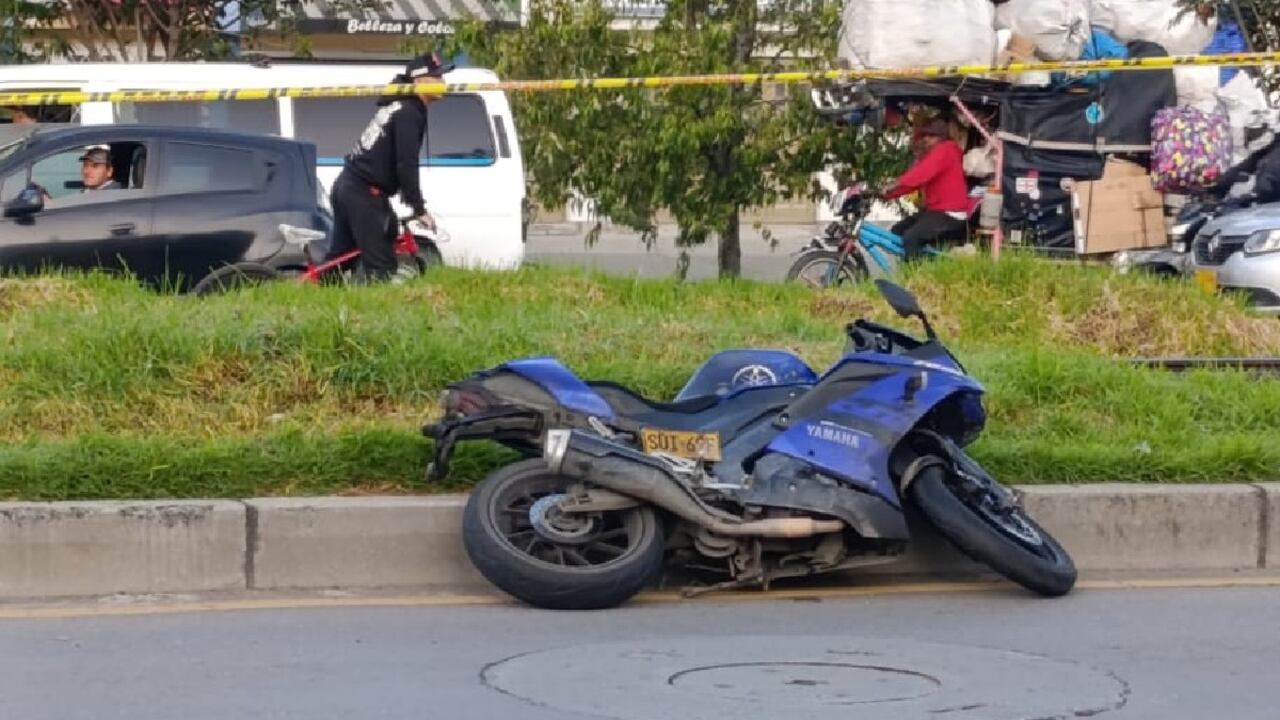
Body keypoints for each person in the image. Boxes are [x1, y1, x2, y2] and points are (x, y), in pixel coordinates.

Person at [326, 51, 451, 282]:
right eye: (438, 78)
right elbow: (406, 162)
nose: (444, 83)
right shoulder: (409, 112)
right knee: (380, 265)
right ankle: (376, 313)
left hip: (348, 184)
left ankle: (320, 298)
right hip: (364, 192)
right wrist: (418, 207)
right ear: (420, 81)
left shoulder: (399, 105)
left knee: (339, 258)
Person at [880, 118, 970, 261]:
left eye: (932, 136)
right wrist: (886, 195)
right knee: (897, 231)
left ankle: (917, 277)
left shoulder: (946, 149)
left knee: (911, 237)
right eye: (925, 136)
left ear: (942, 138)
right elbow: (914, 182)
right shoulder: (933, 155)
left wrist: (895, 184)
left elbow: (922, 173)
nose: (926, 139)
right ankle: (917, 263)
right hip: (935, 211)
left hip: (950, 213)